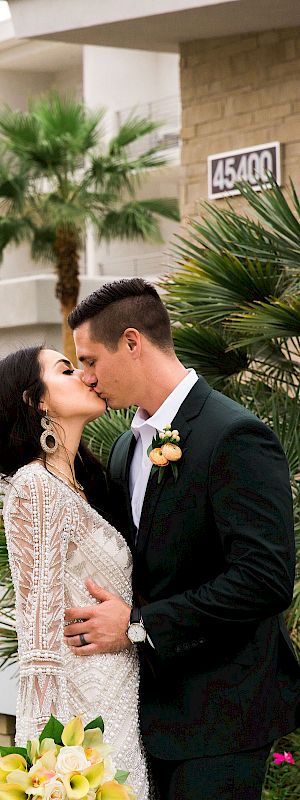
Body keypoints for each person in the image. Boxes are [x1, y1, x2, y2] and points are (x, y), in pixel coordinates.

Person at [65, 277, 300, 800]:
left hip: (223, 717)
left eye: (90, 360)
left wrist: (138, 626)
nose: (86, 377)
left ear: (132, 342)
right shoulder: (127, 446)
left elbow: (265, 579)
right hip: (149, 716)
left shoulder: (235, 435)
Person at [0, 345, 150, 800]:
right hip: (80, 721)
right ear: (36, 400)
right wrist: (45, 760)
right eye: (66, 369)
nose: (85, 377)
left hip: (120, 692)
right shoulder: (33, 486)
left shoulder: (85, 483)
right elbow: (38, 637)